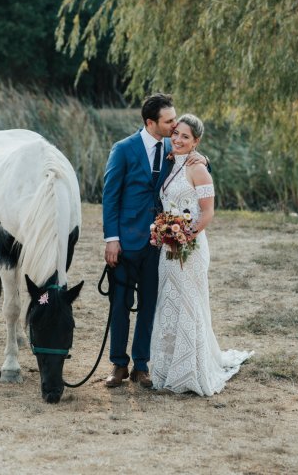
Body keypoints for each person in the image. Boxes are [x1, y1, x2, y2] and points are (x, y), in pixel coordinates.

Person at [103, 94, 209, 388]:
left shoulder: (172, 148)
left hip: (159, 244)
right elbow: (110, 197)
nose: (175, 126)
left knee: (150, 305)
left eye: (175, 120)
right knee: (120, 306)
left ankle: (141, 365)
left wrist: (203, 159)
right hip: (124, 243)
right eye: (169, 121)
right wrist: (111, 239)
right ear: (151, 122)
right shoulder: (123, 150)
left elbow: (194, 171)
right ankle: (118, 365)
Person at [150, 114, 253, 395]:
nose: (179, 140)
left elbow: (207, 212)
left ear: (196, 141)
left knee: (190, 302)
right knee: (170, 301)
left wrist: (185, 236)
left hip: (190, 247)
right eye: (176, 134)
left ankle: (191, 370)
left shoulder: (199, 170)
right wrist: (167, 236)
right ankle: (168, 367)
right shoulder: (170, 163)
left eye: (186, 136)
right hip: (167, 247)